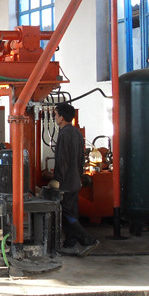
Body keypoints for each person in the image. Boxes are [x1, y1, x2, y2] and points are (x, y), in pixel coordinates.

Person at [49, 102, 100, 257]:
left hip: (66, 182)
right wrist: (78, 176)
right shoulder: (77, 132)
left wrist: (57, 180)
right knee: (70, 212)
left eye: (56, 114)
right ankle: (70, 243)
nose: (55, 117)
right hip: (75, 180)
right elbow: (81, 159)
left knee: (65, 212)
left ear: (62, 117)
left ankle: (88, 240)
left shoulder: (64, 134)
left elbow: (62, 160)